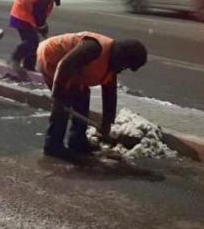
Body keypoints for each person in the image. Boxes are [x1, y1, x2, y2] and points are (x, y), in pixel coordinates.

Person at [36, 31, 147, 159]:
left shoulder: (111, 67)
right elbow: (65, 65)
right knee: (64, 100)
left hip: (71, 67)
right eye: (125, 65)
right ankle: (53, 146)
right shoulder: (94, 48)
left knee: (82, 96)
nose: (123, 69)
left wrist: (106, 125)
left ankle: (77, 141)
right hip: (51, 55)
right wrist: (57, 96)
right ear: (121, 57)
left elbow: (110, 96)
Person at [8, 0, 70, 74]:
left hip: (25, 14)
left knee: (33, 43)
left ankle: (29, 66)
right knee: (31, 42)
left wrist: (42, 26)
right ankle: (14, 58)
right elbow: (38, 15)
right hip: (21, 16)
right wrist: (42, 27)